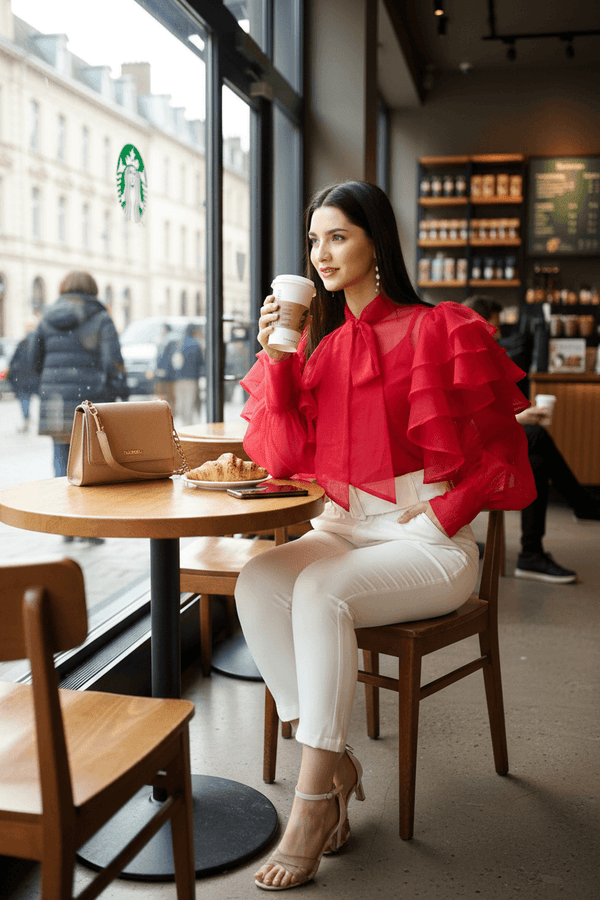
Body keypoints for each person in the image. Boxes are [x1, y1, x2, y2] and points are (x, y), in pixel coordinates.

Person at [234, 181, 536, 891]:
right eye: (314, 241)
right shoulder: (326, 348)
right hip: (345, 524)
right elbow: (281, 457)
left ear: (376, 241)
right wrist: (279, 357)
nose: (322, 253)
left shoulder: (443, 328)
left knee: (318, 592)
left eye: (337, 236)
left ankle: (311, 806)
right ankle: (336, 763)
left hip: (428, 540)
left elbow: (503, 456)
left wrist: (440, 515)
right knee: (259, 578)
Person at [464, 296, 600, 584]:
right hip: (462, 454)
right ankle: (582, 506)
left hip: (482, 444)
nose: (498, 334)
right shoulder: (458, 359)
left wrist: (516, 416)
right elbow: (464, 426)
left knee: (536, 459)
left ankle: (531, 554)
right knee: (535, 436)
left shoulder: (477, 356)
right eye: (494, 327)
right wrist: (518, 420)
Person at [28, 270, 129, 543]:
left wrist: (48, 384)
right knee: (91, 462)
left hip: (56, 398)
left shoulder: (47, 317)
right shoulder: (100, 317)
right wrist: (120, 394)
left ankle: (66, 525)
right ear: (93, 289)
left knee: (61, 459)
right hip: (90, 400)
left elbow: (33, 359)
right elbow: (113, 361)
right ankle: (90, 529)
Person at [170, 323, 204, 425]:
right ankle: (188, 423)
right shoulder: (195, 344)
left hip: (178, 378)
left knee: (180, 401)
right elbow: (201, 362)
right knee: (189, 401)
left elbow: (173, 360)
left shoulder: (179, 343)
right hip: (191, 378)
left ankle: (183, 421)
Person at [7, 329, 39, 433]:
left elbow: (13, 361)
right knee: (42, 399)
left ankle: (26, 420)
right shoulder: (38, 343)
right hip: (33, 378)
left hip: (23, 379)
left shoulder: (22, 344)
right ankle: (32, 420)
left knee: (24, 401)